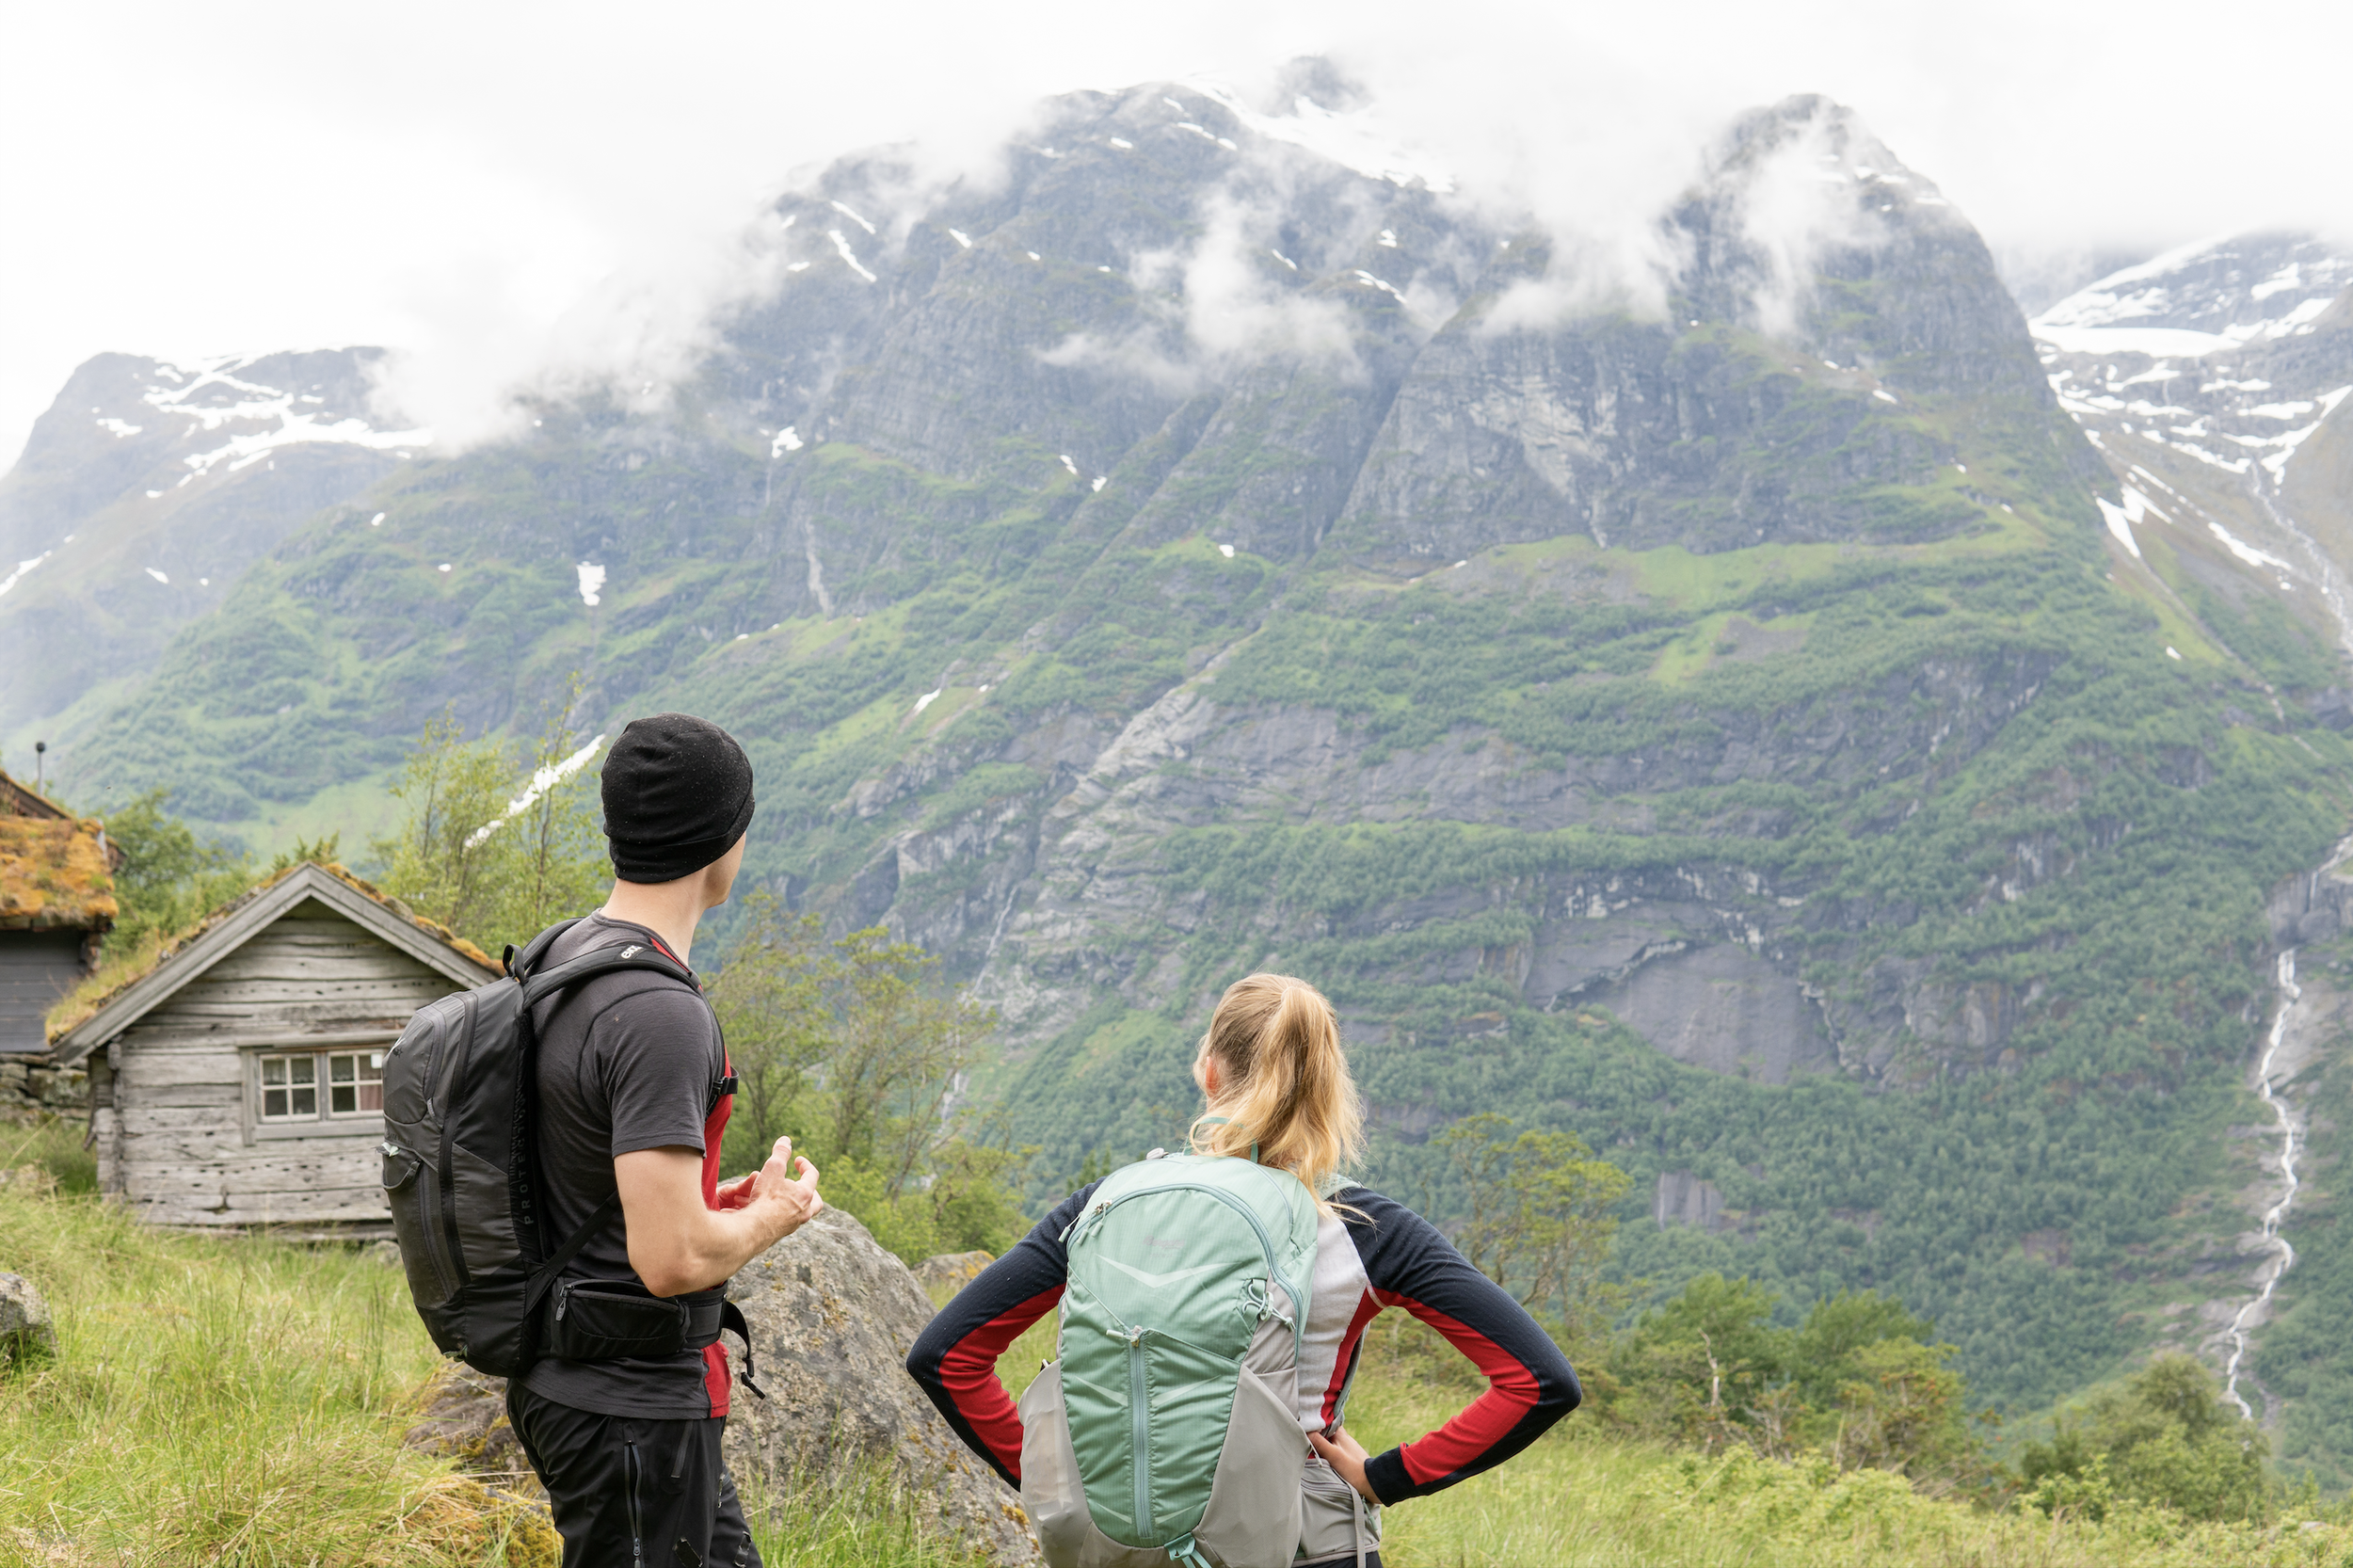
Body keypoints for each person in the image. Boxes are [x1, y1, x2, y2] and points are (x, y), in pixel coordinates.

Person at [906, 973, 1579, 1568]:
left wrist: (1050, 1477)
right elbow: (1538, 1382)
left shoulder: (1105, 1204)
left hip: (1120, 1541)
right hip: (1306, 1542)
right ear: (1328, 1090)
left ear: (1208, 1072)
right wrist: (1387, 1477)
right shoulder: (1362, 1230)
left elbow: (947, 1356)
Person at [509, 712, 824, 1568]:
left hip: (577, 1379)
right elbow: (673, 1262)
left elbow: (588, 1172)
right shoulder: (660, 1013)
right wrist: (777, 1215)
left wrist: (709, 1206)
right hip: (633, 1409)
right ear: (725, 839)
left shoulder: (566, 957)